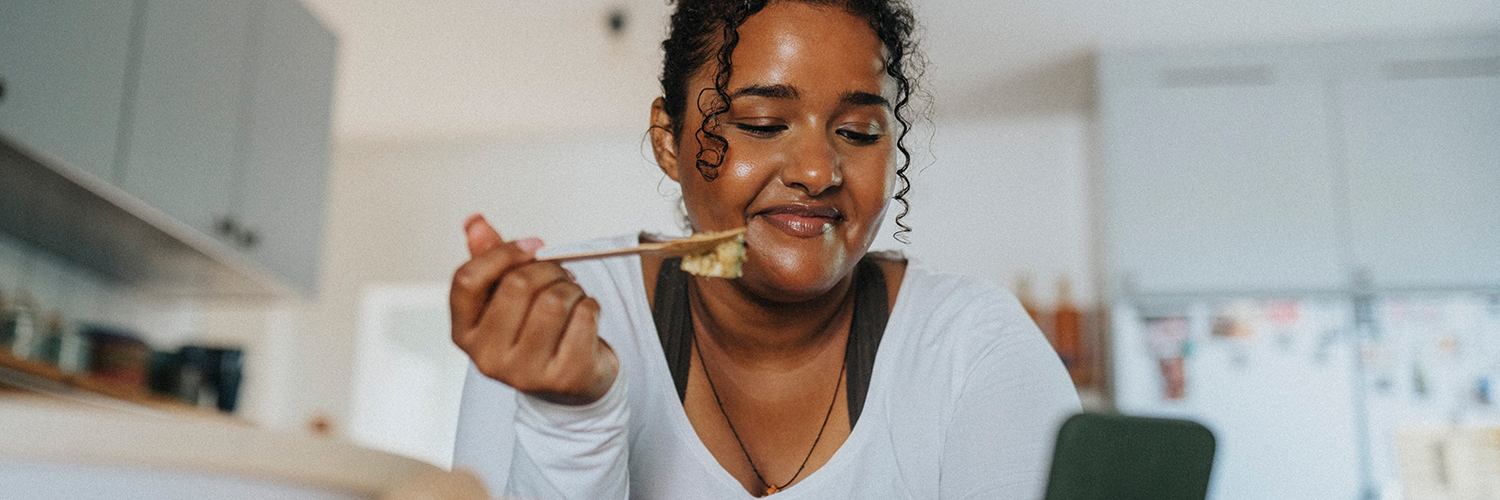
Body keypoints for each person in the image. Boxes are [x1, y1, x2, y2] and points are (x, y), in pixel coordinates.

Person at [449, 0, 1080, 498]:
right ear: (669, 141)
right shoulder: (556, 322)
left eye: (858, 132)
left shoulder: (974, 347)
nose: (817, 171)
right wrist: (571, 421)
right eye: (761, 124)